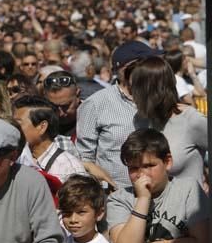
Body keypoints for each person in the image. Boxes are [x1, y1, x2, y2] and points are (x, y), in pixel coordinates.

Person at [76, 41, 161, 190]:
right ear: (123, 69)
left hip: (159, 195)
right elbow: (84, 158)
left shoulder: (160, 99)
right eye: (143, 64)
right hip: (117, 197)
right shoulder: (96, 103)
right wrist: (105, 186)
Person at [127, 56, 207, 185]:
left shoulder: (191, 120)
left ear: (151, 90)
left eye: (134, 88)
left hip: (189, 203)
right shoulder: (140, 119)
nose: (131, 93)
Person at [13, 95, 86, 183]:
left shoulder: (68, 168)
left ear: (42, 127)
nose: (12, 128)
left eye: (18, 124)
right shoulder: (17, 158)